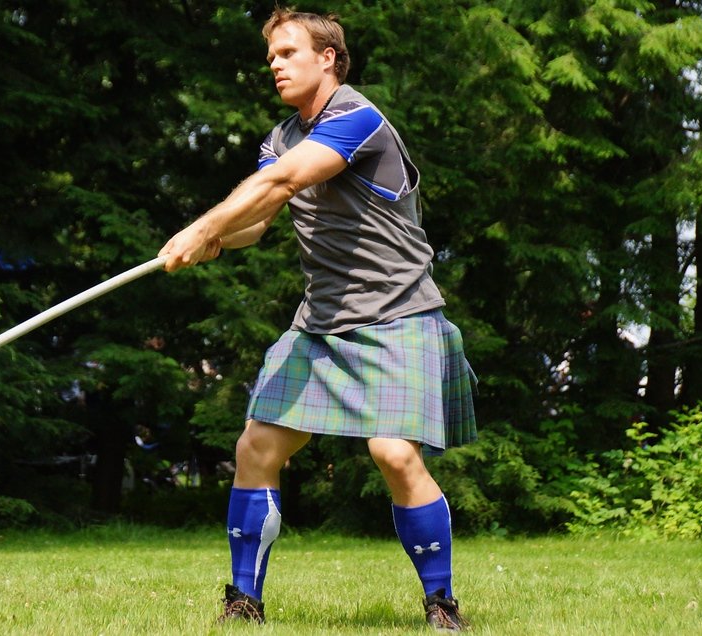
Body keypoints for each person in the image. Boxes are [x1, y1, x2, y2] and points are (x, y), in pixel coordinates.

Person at [158, 8, 477, 632]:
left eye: (286, 52)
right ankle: (243, 600)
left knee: (393, 454)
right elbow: (259, 217)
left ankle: (442, 603)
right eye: (271, 55)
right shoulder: (281, 136)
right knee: (257, 447)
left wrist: (201, 226)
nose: (273, 64)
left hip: (399, 314)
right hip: (321, 322)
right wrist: (216, 241)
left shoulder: (357, 119)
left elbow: (281, 183)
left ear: (327, 57)